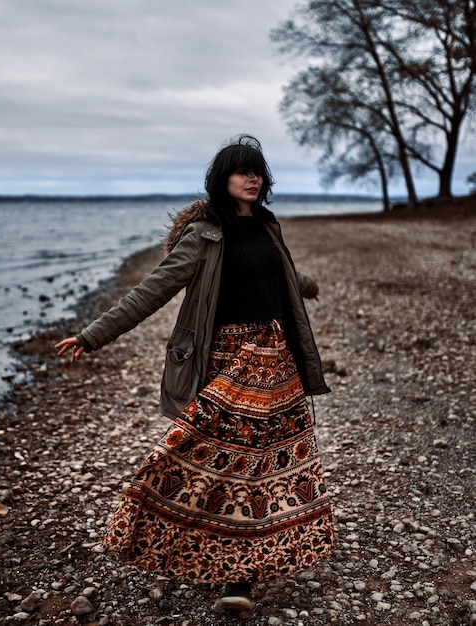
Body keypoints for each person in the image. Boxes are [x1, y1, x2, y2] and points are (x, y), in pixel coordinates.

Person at [55, 135, 334, 614]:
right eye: (242, 171)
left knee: (267, 467)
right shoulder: (204, 234)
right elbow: (152, 288)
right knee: (214, 461)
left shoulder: (269, 227)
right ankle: (188, 545)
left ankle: (242, 574)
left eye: (258, 171)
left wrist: (307, 286)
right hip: (229, 361)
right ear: (222, 179)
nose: (252, 178)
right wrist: (91, 335)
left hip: (279, 363)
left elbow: (282, 272)